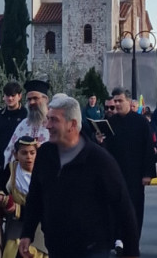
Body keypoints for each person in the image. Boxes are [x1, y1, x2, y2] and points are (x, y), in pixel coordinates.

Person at [20, 94, 139, 258]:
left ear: (72, 124)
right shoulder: (45, 155)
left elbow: (123, 207)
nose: (47, 125)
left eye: (54, 120)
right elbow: (35, 196)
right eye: (48, 119)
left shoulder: (99, 160)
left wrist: (131, 252)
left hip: (92, 249)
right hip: (56, 248)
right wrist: (27, 233)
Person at [95, 87, 155, 239]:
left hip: (135, 173)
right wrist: (100, 141)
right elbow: (105, 149)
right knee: (115, 208)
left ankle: (133, 243)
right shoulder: (110, 122)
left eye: (120, 101)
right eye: (115, 101)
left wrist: (148, 174)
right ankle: (117, 241)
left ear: (128, 101)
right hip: (115, 172)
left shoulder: (141, 122)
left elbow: (148, 148)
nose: (117, 104)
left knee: (134, 209)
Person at [0, 136, 46, 258]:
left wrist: (18, 209)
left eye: (32, 153)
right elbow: (0, 189)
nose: (29, 157)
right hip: (15, 229)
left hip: (39, 230)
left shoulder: (45, 172)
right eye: (24, 153)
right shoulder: (11, 170)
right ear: (16, 154)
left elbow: (45, 204)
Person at [2, 80, 51, 165]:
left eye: (35, 98)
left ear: (45, 99)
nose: (31, 102)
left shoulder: (53, 123)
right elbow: (10, 151)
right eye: (29, 99)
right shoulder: (23, 124)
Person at [0, 82, 26, 170]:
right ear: (3, 97)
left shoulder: (26, 115)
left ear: (19, 96)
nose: (10, 98)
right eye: (7, 95)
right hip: (0, 164)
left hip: (20, 164)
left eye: (13, 95)